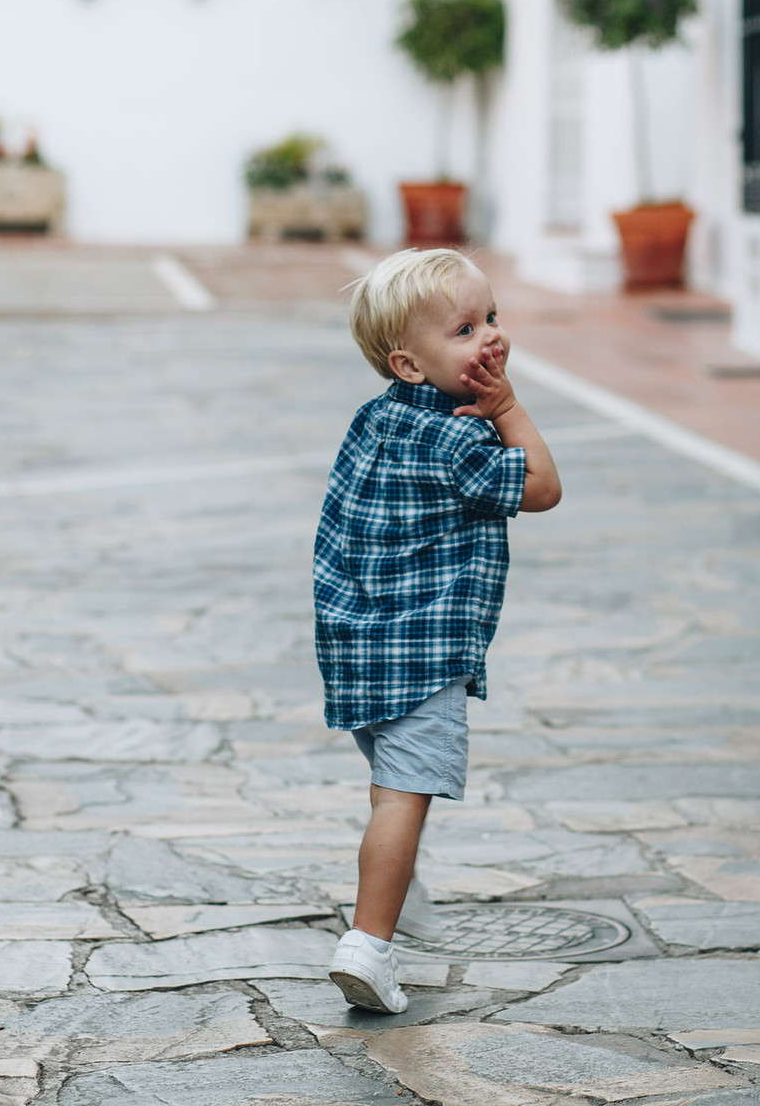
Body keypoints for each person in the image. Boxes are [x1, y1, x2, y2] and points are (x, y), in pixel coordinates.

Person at [315, 247, 562, 1013]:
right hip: (424, 654)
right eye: (464, 329)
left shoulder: (375, 421)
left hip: (356, 643)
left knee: (391, 789)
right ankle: (369, 946)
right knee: (403, 798)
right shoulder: (461, 440)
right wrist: (510, 410)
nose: (489, 338)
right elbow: (545, 489)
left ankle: (399, 892)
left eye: (492, 318)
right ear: (411, 363)